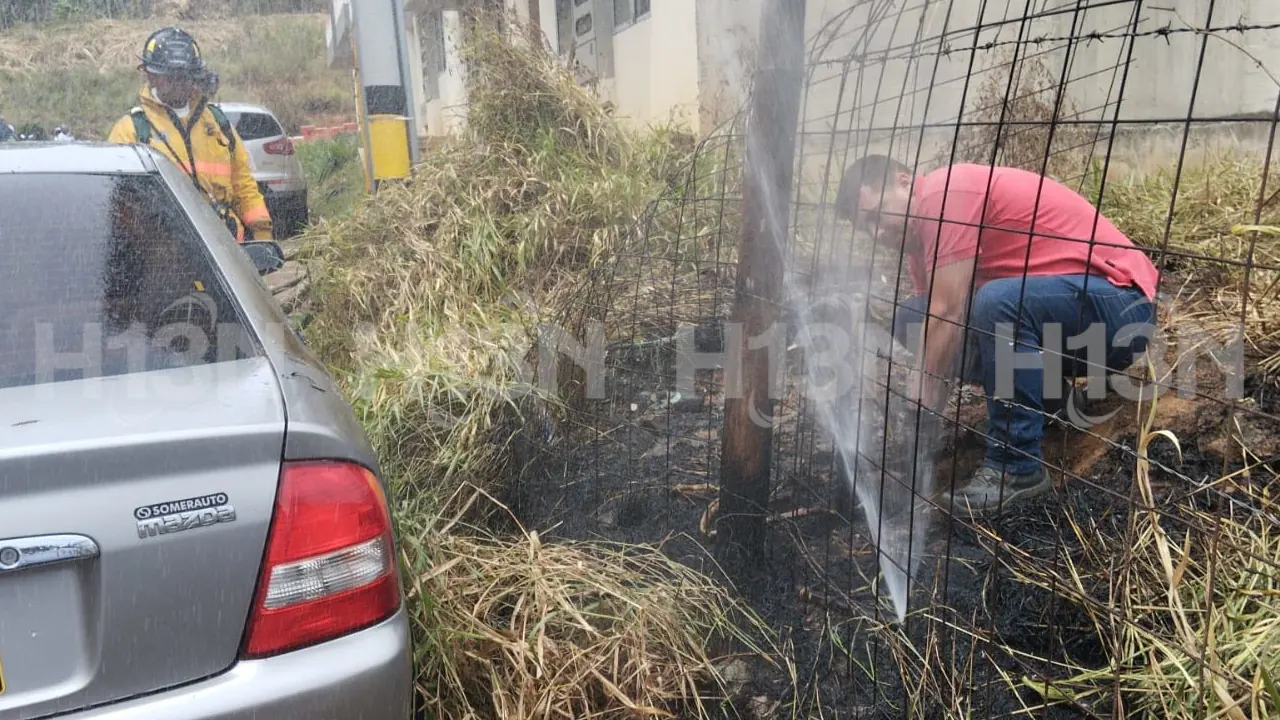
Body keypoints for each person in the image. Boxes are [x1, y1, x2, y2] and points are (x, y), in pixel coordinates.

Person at [834, 155, 1159, 517]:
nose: (877, 234)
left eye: (876, 216)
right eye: (865, 229)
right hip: (1067, 317)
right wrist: (922, 430)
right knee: (913, 317)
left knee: (997, 302)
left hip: (1123, 309)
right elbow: (938, 335)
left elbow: (947, 315)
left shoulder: (946, 192)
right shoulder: (921, 245)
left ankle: (1016, 468)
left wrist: (920, 402)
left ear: (904, 181)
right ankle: (1053, 403)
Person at [107, 27, 272, 243]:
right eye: (171, 77)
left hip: (226, 249)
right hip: (165, 253)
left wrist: (263, 238)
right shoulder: (131, 131)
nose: (179, 83)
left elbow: (244, 187)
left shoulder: (217, 124)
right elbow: (118, 204)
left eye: (184, 76)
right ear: (151, 76)